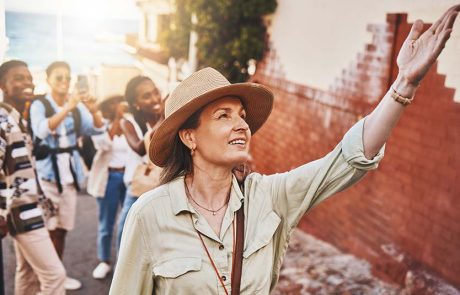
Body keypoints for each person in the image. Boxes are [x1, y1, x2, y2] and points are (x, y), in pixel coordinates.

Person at [110, 6, 460, 295]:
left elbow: (346, 160)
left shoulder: (270, 198)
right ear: (190, 138)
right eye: (223, 116)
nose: (241, 125)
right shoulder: (150, 215)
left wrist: (404, 84)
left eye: (242, 116)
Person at [29, 61, 104, 290]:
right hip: (48, 177)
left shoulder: (76, 106)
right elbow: (41, 130)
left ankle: (57, 275)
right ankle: (49, 280)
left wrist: (92, 108)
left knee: (61, 229)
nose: (64, 82)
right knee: (48, 229)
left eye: (67, 78)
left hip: (69, 177)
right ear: (48, 79)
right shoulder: (40, 104)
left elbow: (96, 129)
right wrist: (67, 107)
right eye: (59, 78)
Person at [0, 60, 66, 294]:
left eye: (29, 78)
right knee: (55, 277)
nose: (27, 83)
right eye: (18, 78)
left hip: (30, 208)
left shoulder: (19, 120)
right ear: (3, 86)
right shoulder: (2, 120)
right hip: (22, 211)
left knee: (27, 274)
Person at [116, 76, 164, 251]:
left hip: (163, 186)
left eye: (155, 92)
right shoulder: (128, 122)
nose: (154, 99)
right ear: (136, 103)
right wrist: (164, 117)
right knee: (126, 235)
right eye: (146, 96)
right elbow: (140, 148)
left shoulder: (167, 118)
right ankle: (120, 274)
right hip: (139, 189)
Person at [87, 95, 129, 279]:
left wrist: (123, 119)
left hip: (129, 177)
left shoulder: (130, 123)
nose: (116, 105)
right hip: (109, 177)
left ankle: (125, 261)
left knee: (128, 221)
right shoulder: (100, 124)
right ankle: (104, 260)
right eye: (112, 103)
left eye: (118, 102)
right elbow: (105, 144)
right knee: (107, 222)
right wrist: (118, 119)